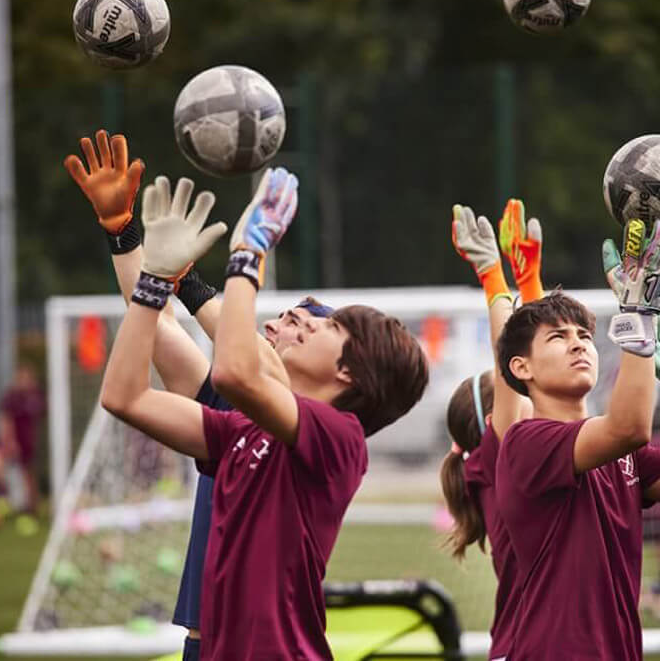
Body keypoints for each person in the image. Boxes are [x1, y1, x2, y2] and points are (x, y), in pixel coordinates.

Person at [97, 157, 428, 659]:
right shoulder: (243, 427)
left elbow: (240, 369)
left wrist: (247, 254)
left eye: (330, 327)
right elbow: (124, 397)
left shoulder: (341, 438)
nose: (306, 323)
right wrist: (150, 271)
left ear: (349, 374)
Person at [65, 129, 336, 661]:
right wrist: (123, 234)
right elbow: (154, 326)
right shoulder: (234, 408)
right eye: (283, 317)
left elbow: (255, 365)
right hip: (205, 644)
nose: (280, 326)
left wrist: (194, 276)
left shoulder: (322, 429)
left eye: (303, 326)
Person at [493, 219, 660, 660]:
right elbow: (627, 428)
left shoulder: (623, 455)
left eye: (585, 336)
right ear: (521, 368)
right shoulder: (525, 442)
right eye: (558, 337)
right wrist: (640, 316)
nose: (578, 345)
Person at [441, 200, 544, 660]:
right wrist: (495, 278)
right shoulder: (499, 455)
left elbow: (543, 373)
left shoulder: (512, 455)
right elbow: (521, 370)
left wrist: (531, 284)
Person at [0, 364, 44, 515]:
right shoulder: (11, 397)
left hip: (28, 442)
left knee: (29, 475)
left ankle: (32, 509)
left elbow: (38, 419)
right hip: (12, 441)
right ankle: (3, 497)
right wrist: (8, 441)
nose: (24, 381)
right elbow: (5, 419)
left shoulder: (36, 396)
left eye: (28, 378)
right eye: (22, 378)